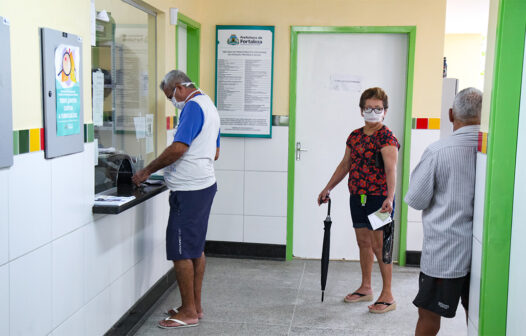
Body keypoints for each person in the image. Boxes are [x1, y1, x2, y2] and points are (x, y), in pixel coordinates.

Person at [132, 70, 220, 329]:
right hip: (203, 186)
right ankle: (194, 306)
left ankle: (188, 313)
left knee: (181, 250)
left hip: (190, 190)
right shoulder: (208, 104)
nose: (173, 101)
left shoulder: (193, 107)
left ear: (181, 87)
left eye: (172, 96)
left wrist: (148, 170)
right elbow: (215, 152)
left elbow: (179, 147)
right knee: (195, 248)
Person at [404, 87, 482, 336]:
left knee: (428, 317)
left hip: (444, 255)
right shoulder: (492, 152)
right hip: (484, 254)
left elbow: (416, 199)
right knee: (477, 318)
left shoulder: (438, 151)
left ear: (451, 115)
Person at [318, 87, 399, 313]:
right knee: (363, 242)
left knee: (380, 246)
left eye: (378, 108)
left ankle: (388, 295)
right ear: (361, 109)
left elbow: (391, 170)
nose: (373, 112)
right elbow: (346, 164)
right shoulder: (355, 136)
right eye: (368, 108)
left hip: (380, 199)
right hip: (358, 197)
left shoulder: (387, 137)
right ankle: (366, 288)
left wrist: (390, 198)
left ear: (384, 111)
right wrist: (328, 187)